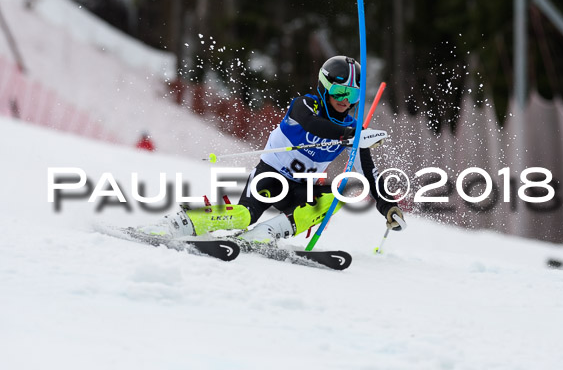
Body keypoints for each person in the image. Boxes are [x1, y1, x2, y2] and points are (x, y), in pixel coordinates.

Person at [151, 56, 406, 242]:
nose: (344, 100)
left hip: (300, 188)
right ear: (325, 87)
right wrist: (349, 135)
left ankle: (267, 233)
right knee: (244, 216)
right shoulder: (305, 106)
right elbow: (313, 125)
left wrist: (388, 206)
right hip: (270, 176)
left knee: (340, 193)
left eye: (352, 94)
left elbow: (369, 174)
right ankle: (185, 221)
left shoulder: (353, 129)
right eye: (339, 91)